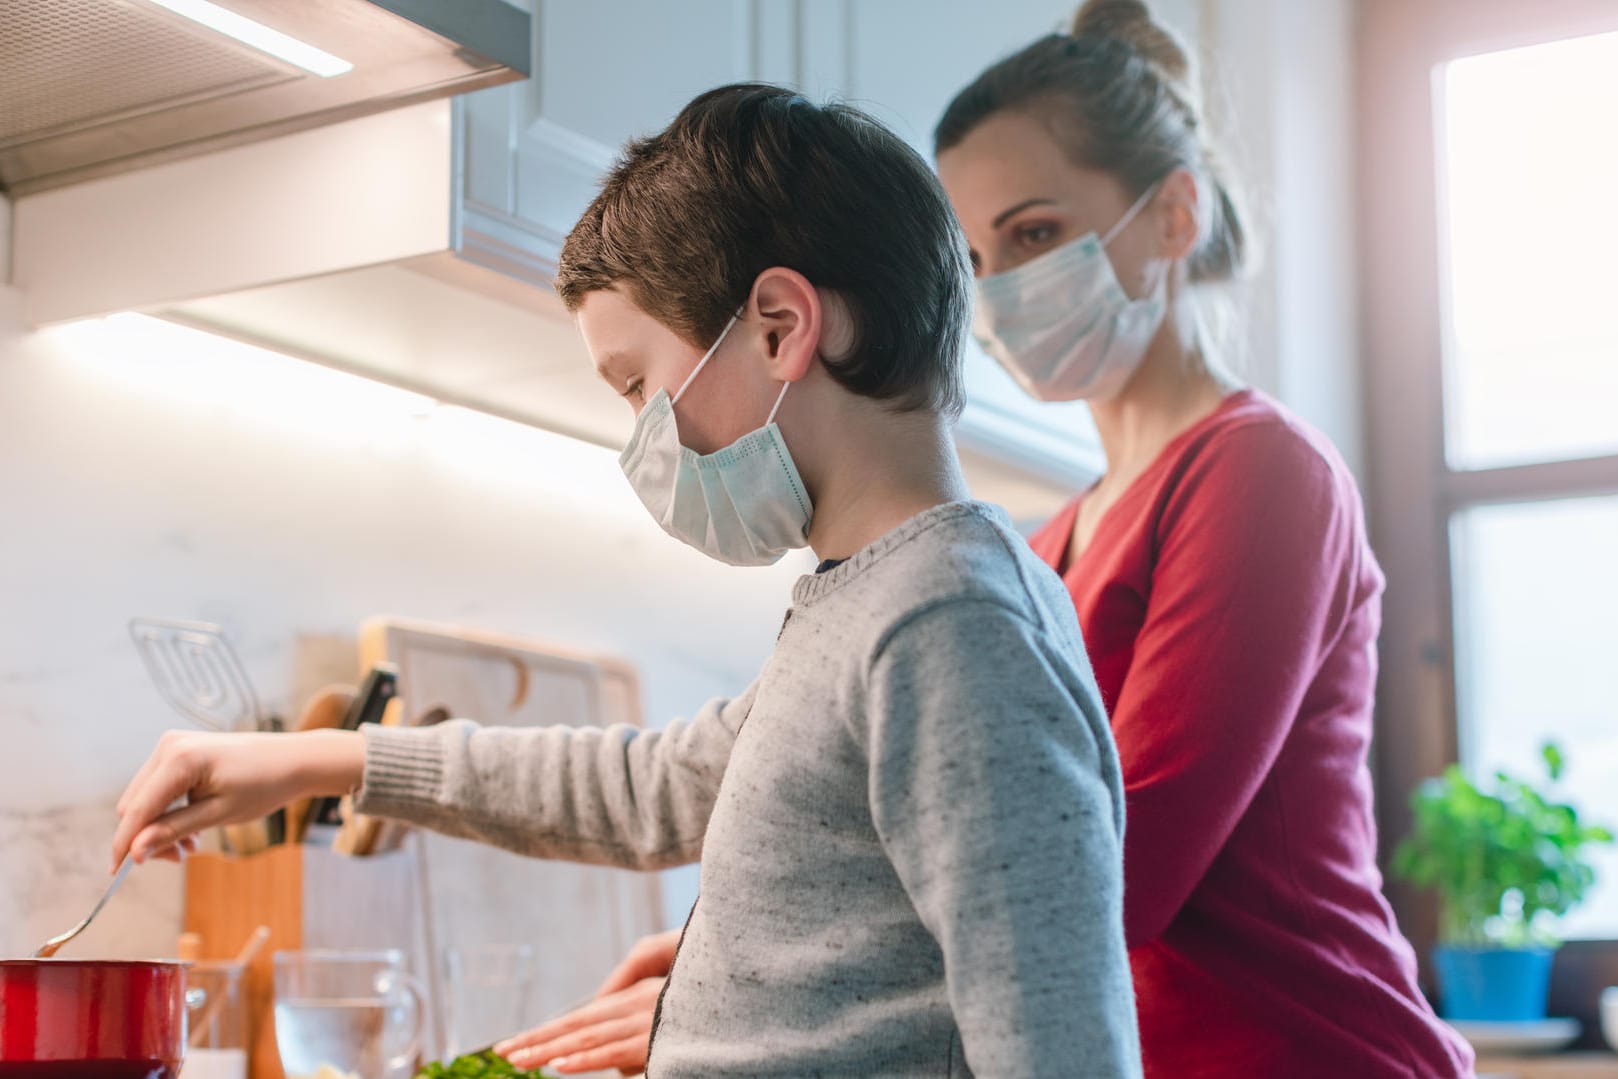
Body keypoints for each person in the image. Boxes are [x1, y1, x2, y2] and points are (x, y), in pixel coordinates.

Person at [498, 3, 1477, 1077]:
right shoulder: (1040, 543)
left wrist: (764, 981)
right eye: (975, 252)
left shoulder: (1257, 470)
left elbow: (1099, 864)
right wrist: (744, 958)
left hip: (1312, 1051)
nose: (1002, 286)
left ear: (1173, 216)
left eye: (1037, 233)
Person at [112, 83, 1143, 1078]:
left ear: (781, 325)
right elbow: (652, 787)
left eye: (639, 384)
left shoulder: (945, 622)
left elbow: (1059, 1045)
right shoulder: (871, 601)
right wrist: (323, 760)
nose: (644, 434)